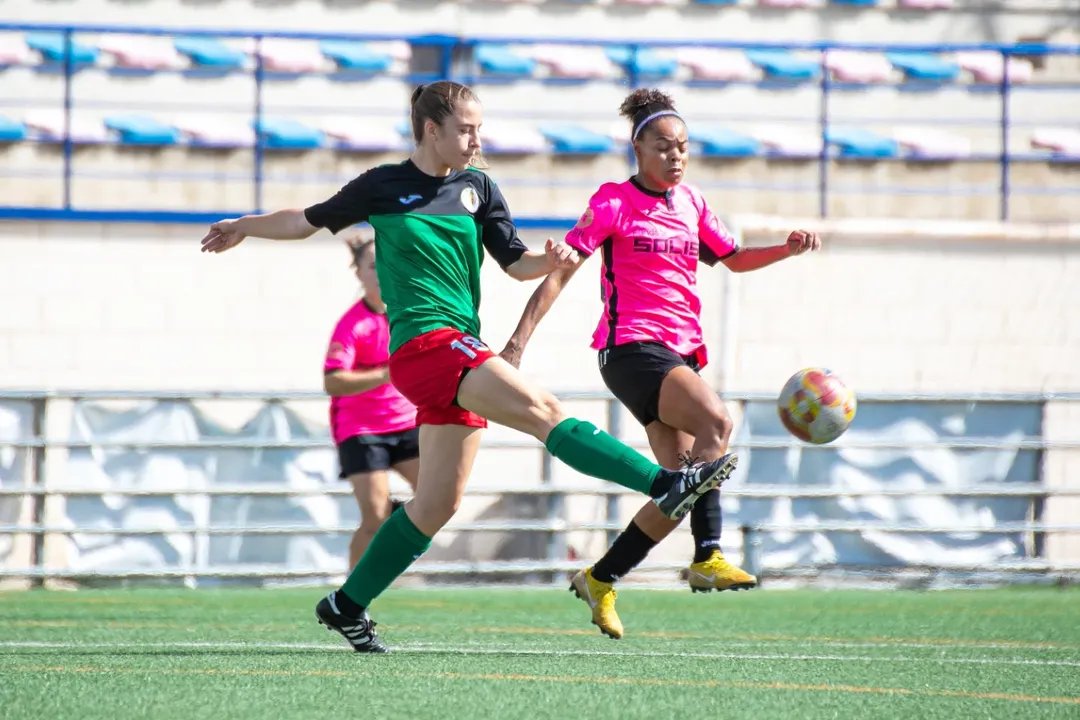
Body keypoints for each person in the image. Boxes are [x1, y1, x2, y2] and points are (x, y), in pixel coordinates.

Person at [200, 80, 738, 653]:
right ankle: (667, 482)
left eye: (480, 128)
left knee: (437, 504)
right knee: (542, 410)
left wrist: (546, 261)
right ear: (431, 130)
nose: (477, 139)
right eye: (466, 129)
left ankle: (345, 605)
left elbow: (516, 264)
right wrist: (245, 225)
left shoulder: (479, 188)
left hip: (457, 349)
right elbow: (306, 219)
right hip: (426, 346)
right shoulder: (383, 185)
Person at [500, 88, 821, 639]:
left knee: (677, 490)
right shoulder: (612, 201)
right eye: (664, 147)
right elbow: (562, 270)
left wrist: (784, 250)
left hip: (676, 353)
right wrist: (516, 344)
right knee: (716, 422)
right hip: (630, 349)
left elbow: (733, 259)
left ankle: (601, 578)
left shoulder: (692, 203)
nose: (676, 156)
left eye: (684, 148)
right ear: (638, 149)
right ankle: (709, 556)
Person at [325, 236, 419, 571]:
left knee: (441, 496)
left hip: (407, 424)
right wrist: (384, 374)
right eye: (372, 265)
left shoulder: (410, 313)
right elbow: (332, 380)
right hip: (361, 430)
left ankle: (398, 520)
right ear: (360, 274)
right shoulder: (353, 325)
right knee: (374, 518)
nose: (381, 272)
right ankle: (350, 594)